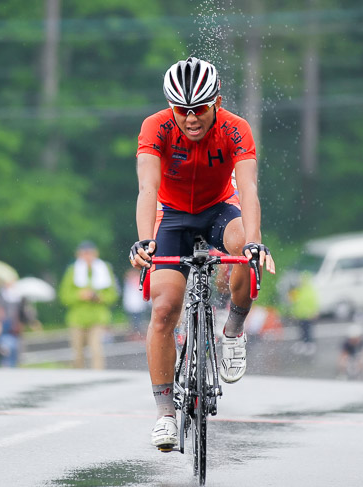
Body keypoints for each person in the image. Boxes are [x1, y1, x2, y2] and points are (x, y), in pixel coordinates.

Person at [129, 56, 276, 451]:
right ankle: (164, 414)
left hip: (218, 208)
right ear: (170, 108)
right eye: (182, 110)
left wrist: (254, 241)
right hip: (171, 214)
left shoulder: (236, 129)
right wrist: (145, 240)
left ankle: (233, 328)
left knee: (245, 247)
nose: (191, 118)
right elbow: (147, 188)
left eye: (200, 109)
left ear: (217, 102)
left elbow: (247, 190)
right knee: (164, 309)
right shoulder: (155, 127)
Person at [59, 240, 118, 370]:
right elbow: (64, 296)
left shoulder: (104, 269)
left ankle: (98, 377)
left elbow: (113, 295)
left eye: (89, 253)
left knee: (96, 349)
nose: (87, 257)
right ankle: (79, 378)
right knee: (78, 353)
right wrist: (79, 296)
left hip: (98, 317)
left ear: (95, 254)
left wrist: (99, 297)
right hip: (77, 318)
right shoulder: (72, 271)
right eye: (84, 254)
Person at [123, 268, 150, 340]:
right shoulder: (131, 282)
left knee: (138, 321)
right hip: (133, 305)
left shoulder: (135, 281)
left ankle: (138, 334)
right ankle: (136, 334)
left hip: (137, 305)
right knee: (135, 321)